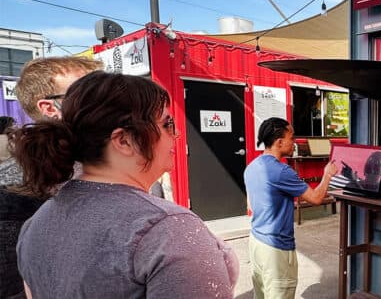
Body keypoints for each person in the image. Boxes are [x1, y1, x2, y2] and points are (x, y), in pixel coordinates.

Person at [12, 71, 238, 298]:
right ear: (124, 140)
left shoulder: (36, 223)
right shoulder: (165, 228)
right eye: (167, 124)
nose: (176, 134)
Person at [0, 56, 100, 299]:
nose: (110, 103)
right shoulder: (9, 196)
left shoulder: (110, 164)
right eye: (91, 95)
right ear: (50, 108)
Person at [245, 117, 338, 299]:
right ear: (279, 142)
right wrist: (327, 175)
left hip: (256, 243)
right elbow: (316, 198)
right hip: (276, 250)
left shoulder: (252, 167)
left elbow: (250, 205)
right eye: (292, 138)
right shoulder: (282, 171)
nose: (294, 142)